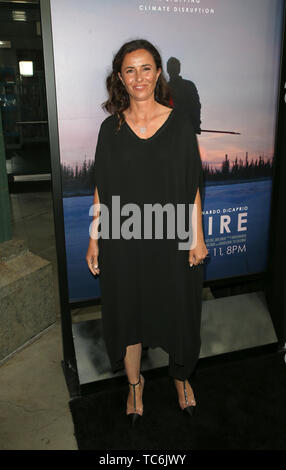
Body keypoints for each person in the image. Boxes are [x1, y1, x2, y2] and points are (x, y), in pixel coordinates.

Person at [86, 39, 208, 426]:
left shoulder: (180, 124)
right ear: (120, 78)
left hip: (171, 237)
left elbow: (192, 186)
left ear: (158, 73)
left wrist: (198, 237)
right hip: (122, 238)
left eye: (145, 68)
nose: (138, 77)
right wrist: (94, 237)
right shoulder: (110, 128)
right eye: (130, 70)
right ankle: (135, 384)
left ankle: (181, 378)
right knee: (129, 310)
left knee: (178, 310)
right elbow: (101, 187)